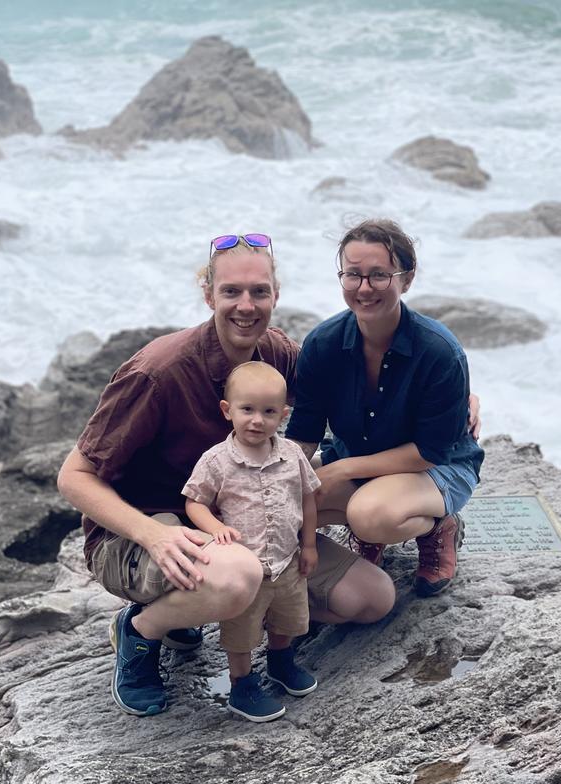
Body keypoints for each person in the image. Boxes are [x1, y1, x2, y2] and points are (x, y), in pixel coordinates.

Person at [57, 232, 392, 718]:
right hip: (145, 535)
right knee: (238, 577)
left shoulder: (274, 353)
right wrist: (153, 536)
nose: (246, 306)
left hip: (245, 529)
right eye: (231, 291)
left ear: (276, 295)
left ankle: (214, 609)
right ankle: (142, 630)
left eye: (259, 291)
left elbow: (357, 384)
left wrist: (456, 398)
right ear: (209, 294)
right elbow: (73, 477)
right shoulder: (159, 371)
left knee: (371, 598)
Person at [285, 218, 485, 597]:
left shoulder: (438, 351)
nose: (364, 288)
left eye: (379, 275)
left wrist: (340, 469)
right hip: (362, 463)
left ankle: (439, 527)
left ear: (405, 280)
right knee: (288, 504)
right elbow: (305, 430)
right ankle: (366, 537)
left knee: (369, 516)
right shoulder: (323, 344)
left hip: (436, 468)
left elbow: (430, 451)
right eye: (353, 275)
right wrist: (280, 482)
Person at [183, 361, 319, 723]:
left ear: (283, 415)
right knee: (241, 632)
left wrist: (309, 545)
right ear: (228, 411)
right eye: (247, 410)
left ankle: (281, 662)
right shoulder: (216, 461)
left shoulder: (292, 454)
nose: (257, 420)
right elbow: (194, 502)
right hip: (248, 569)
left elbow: (307, 498)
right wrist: (214, 527)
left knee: (287, 620)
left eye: (269, 412)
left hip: (288, 560)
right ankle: (242, 684)